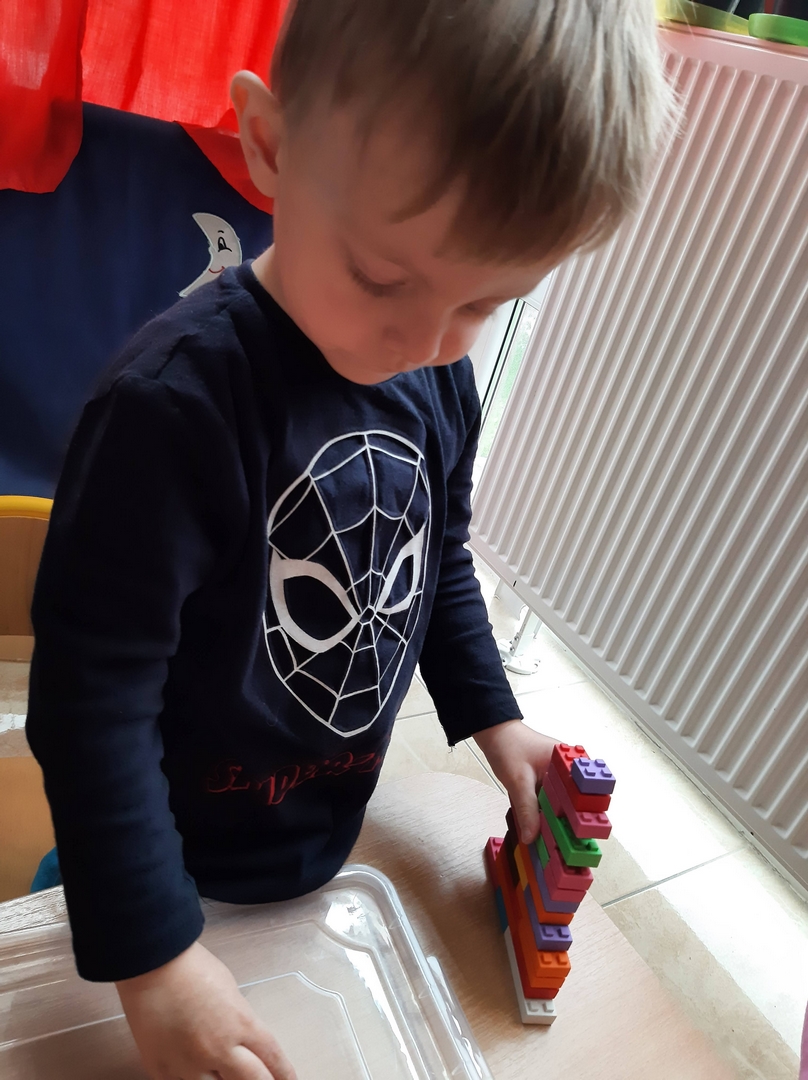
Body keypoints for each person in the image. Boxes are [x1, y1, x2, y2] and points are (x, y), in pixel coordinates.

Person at [26, 1, 672, 1077]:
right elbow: (89, 702)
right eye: (383, 278)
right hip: (147, 876)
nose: (426, 340)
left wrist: (493, 720)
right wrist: (153, 957)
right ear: (269, 147)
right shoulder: (170, 409)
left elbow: (434, 561)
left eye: (485, 304)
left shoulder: (434, 377)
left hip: (315, 854)